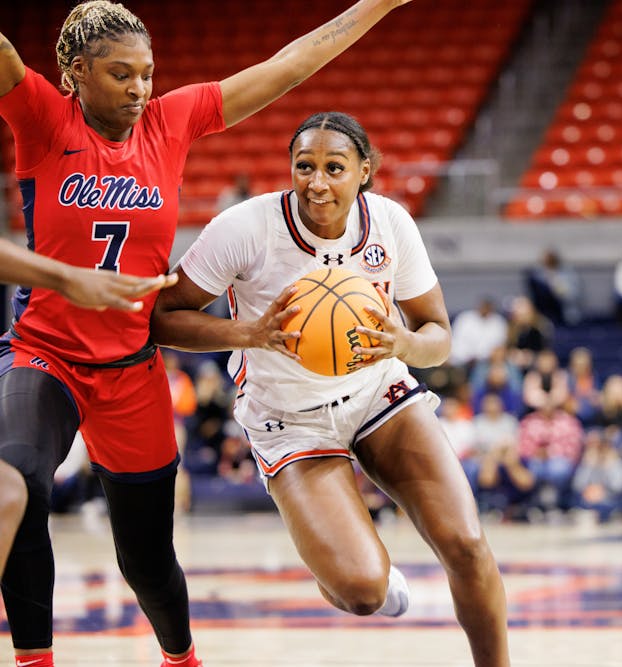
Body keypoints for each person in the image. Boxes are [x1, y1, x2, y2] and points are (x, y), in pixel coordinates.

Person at [0, 2, 416, 665]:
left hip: (132, 365)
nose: (139, 89)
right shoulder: (44, 117)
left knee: (147, 559)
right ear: (75, 73)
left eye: (147, 73)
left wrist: (375, 5)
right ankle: (34, 658)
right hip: (45, 352)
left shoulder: (171, 119)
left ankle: (182, 658)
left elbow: (286, 68)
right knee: (17, 482)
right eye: (120, 74)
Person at [150, 111, 510, 667]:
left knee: (465, 544)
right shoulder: (246, 228)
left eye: (334, 168)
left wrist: (402, 346)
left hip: (378, 394)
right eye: (305, 166)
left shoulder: (390, 223)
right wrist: (251, 332)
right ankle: (341, 561)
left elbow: (439, 337)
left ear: (365, 171)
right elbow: (161, 318)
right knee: (362, 591)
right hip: (289, 418)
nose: (317, 182)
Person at [526, 248, 583, 326]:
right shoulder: (538, 275)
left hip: (566, 315)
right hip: (545, 315)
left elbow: (571, 297)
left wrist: (555, 284)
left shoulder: (568, 274)